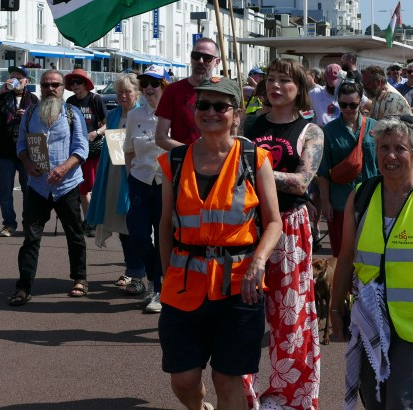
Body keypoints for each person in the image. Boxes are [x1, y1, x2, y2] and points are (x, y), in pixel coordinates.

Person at [157, 77, 282, 410]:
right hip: (184, 285)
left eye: (220, 106)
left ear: (236, 113)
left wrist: (258, 262)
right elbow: (166, 223)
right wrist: (167, 272)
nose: (210, 112)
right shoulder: (174, 161)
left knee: (227, 379)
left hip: (240, 287)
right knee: (183, 378)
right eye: (203, 105)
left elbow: (273, 222)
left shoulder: (255, 158)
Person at [330, 116, 413, 408]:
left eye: (400, 148)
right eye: (383, 147)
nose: (390, 156)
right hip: (369, 323)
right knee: (375, 401)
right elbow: (345, 259)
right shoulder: (362, 195)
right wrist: (335, 309)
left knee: (405, 403)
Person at [244, 59, 325, 410]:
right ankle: (243, 392)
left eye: (285, 81)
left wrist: (257, 168)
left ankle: (288, 397)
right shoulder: (249, 124)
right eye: (271, 80)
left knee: (289, 315)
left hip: (290, 226)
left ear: (299, 88)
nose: (276, 86)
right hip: (248, 224)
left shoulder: (311, 131)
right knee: (244, 311)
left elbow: (302, 181)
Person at [11, 71, 89, 304]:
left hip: (66, 185)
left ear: (63, 88)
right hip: (37, 186)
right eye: (46, 85)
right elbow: (21, 143)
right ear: (40, 87)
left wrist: (64, 168)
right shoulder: (31, 113)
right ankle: (23, 286)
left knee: (75, 235)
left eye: (55, 84)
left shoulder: (72, 113)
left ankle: (80, 278)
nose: (50, 89)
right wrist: (26, 163)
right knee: (31, 237)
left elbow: (81, 147)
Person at [87, 73, 146, 296]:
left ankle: (140, 271)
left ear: (136, 93)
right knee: (123, 227)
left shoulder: (143, 114)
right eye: (120, 91)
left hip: (136, 176)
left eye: (127, 91)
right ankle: (132, 269)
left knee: (136, 227)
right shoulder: (112, 115)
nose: (122, 95)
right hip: (114, 174)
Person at [124, 66, 169, 313]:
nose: (149, 88)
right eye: (145, 84)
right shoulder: (135, 116)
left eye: (154, 83)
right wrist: (131, 175)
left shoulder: (174, 115)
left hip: (166, 184)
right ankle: (156, 278)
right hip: (140, 180)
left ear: (164, 85)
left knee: (164, 237)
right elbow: (129, 150)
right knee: (138, 235)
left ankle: (159, 289)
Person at [317, 81, 377, 258]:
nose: (348, 109)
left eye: (353, 104)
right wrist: (326, 202)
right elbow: (323, 171)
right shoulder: (328, 131)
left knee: (369, 250)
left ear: (361, 102)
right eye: (343, 105)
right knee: (343, 252)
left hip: (370, 198)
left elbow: (382, 166)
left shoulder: (375, 127)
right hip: (340, 200)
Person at [0, 66, 37, 238]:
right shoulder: (2, 98)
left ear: (27, 81)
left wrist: (29, 116)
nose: (15, 80)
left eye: (20, 77)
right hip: (4, 151)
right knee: (4, 189)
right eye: (12, 76)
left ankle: (28, 223)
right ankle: (9, 223)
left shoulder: (33, 100)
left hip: (27, 152)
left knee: (29, 189)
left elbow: (44, 123)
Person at [156, 37, 221, 152]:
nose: (200, 61)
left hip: (218, 163)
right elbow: (161, 138)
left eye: (207, 58)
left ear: (217, 62)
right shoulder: (173, 91)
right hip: (183, 164)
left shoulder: (223, 92)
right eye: (196, 56)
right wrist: (192, 152)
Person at [64, 68, 107, 236]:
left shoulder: (95, 100)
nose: (75, 86)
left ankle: (94, 220)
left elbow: (107, 123)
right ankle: (89, 220)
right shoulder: (70, 101)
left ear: (86, 84)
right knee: (81, 189)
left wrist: (95, 133)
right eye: (73, 82)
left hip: (94, 150)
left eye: (79, 82)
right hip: (75, 150)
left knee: (93, 187)